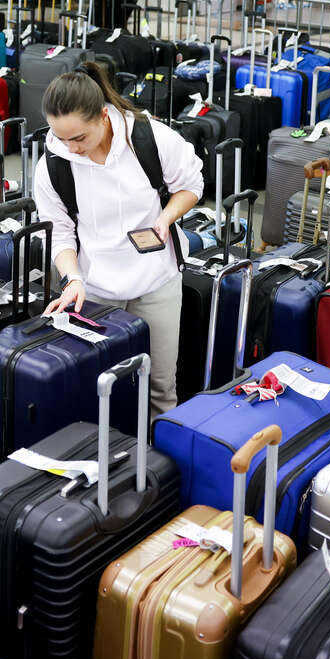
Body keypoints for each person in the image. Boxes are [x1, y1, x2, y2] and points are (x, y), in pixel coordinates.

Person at [35, 62, 203, 411]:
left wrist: (166, 217)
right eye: (61, 138)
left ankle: (157, 447)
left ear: (102, 116)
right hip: (95, 290)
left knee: (160, 386)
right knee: (100, 391)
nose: (71, 148)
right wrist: (72, 279)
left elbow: (191, 185)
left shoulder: (148, 137)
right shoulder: (53, 165)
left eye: (79, 138)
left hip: (157, 281)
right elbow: (60, 232)